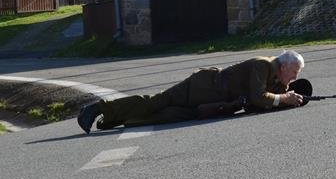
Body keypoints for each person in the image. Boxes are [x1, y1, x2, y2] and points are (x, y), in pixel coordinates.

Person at [76, 51, 307, 134]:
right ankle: (96, 109)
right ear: (284, 66)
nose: (294, 78)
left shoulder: (275, 77)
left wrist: (285, 96)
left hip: (210, 103)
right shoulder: (263, 65)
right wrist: (283, 98)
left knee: (167, 116)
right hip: (202, 86)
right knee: (155, 102)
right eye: (294, 72)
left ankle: (110, 120)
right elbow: (259, 97)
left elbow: (258, 103)